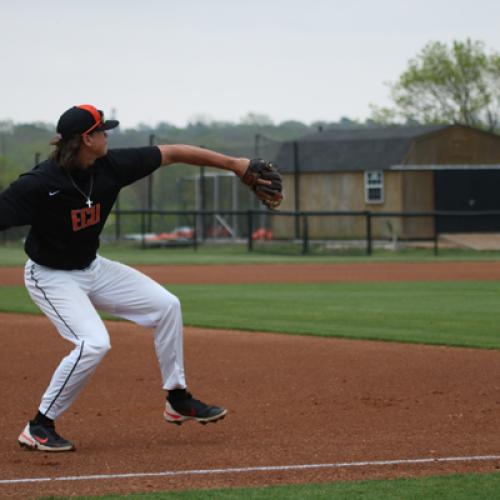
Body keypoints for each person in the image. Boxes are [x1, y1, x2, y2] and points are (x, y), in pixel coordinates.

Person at [0, 104, 281, 452]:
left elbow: (175, 152)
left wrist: (236, 164)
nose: (107, 136)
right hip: (50, 276)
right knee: (93, 343)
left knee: (167, 306)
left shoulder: (112, 166)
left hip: (92, 267)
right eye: (103, 131)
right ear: (87, 139)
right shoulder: (39, 183)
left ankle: (177, 399)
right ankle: (39, 425)